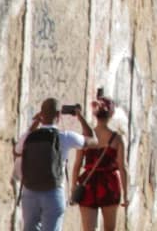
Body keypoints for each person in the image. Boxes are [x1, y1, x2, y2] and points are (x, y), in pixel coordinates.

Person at [13, 98, 90, 231]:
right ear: (59, 115)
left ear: (41, 114)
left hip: (30, 192)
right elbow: (93, 140)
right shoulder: (65, 137)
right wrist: (80, 117)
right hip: (53, 193)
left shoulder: (29, 136)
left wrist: (35, 123)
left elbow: (17, 151)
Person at [71, 97, 127, 229]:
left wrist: (74, 187)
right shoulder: (117, 139)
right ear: (111, 114)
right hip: (109, 184)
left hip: (88, 184)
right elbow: (123, 167)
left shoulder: (86, 136)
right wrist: (126, 195)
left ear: (95, 115)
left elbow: (77, 164)